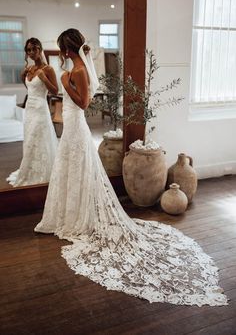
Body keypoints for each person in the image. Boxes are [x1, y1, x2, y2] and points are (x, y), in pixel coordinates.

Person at [34, 29, 227, 307]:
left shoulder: (74, 71)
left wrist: (65, 81)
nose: (61, 52)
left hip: (77, 125)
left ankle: (77, 217)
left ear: (66, 49)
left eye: (61, 48)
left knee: (78, 166)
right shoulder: (75, 67)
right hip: (73, 127)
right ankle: (68, 212)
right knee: (70, 169)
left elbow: (85, 102)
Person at [7, 38, 58, 187]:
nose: (31, 53)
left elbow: (55, 91)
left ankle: (43, 171)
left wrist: (43, 78)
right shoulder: (29, 69)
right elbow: (31, 89)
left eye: (34, 49)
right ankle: (30, 169)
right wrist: (23, 78)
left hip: (41, 109)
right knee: (30, 139)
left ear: (40, 49)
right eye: (28, 50)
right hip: (29, 109)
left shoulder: (48, 69)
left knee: (39, 138)